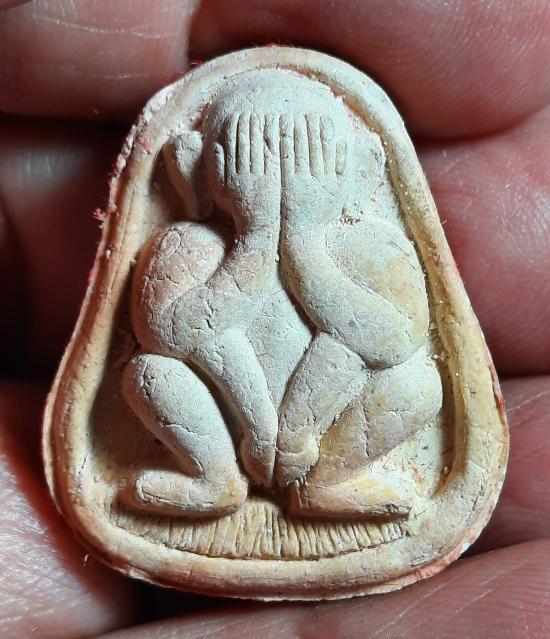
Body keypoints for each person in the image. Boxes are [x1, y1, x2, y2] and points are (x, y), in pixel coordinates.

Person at [0, 1, 548, 637]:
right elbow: (171, 335)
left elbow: (390, 340)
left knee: (418, 383)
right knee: (149, 375)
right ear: (191, 169)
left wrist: (305, 254)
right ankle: (212, 477)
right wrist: (255, 245)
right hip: (230, 422)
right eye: (250, 160)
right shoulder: (187, 244)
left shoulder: (374, 248)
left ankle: (330, 482)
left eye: (311, 158)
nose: (281, 177)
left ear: (361, 170)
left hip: (322, 428)